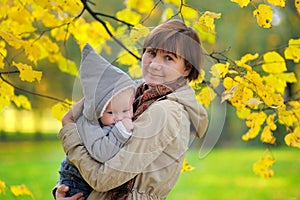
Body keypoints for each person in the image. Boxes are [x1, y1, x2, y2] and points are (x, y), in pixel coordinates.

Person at [55, 19, 209, 200]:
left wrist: (69, 131)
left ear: (186, 68)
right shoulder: (133, 95)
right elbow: (97, 148)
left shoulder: (165, 112)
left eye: (169, 58)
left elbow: (104, 179)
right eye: (151, 53)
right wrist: (68, 189)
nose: (154, 65)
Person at [57, 43, 136, 199]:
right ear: (97, 111)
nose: (119, 118)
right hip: (76, 180)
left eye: (126, 110)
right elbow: (101, 154)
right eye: (111, 112)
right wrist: (120, 133)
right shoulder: (90, 123)